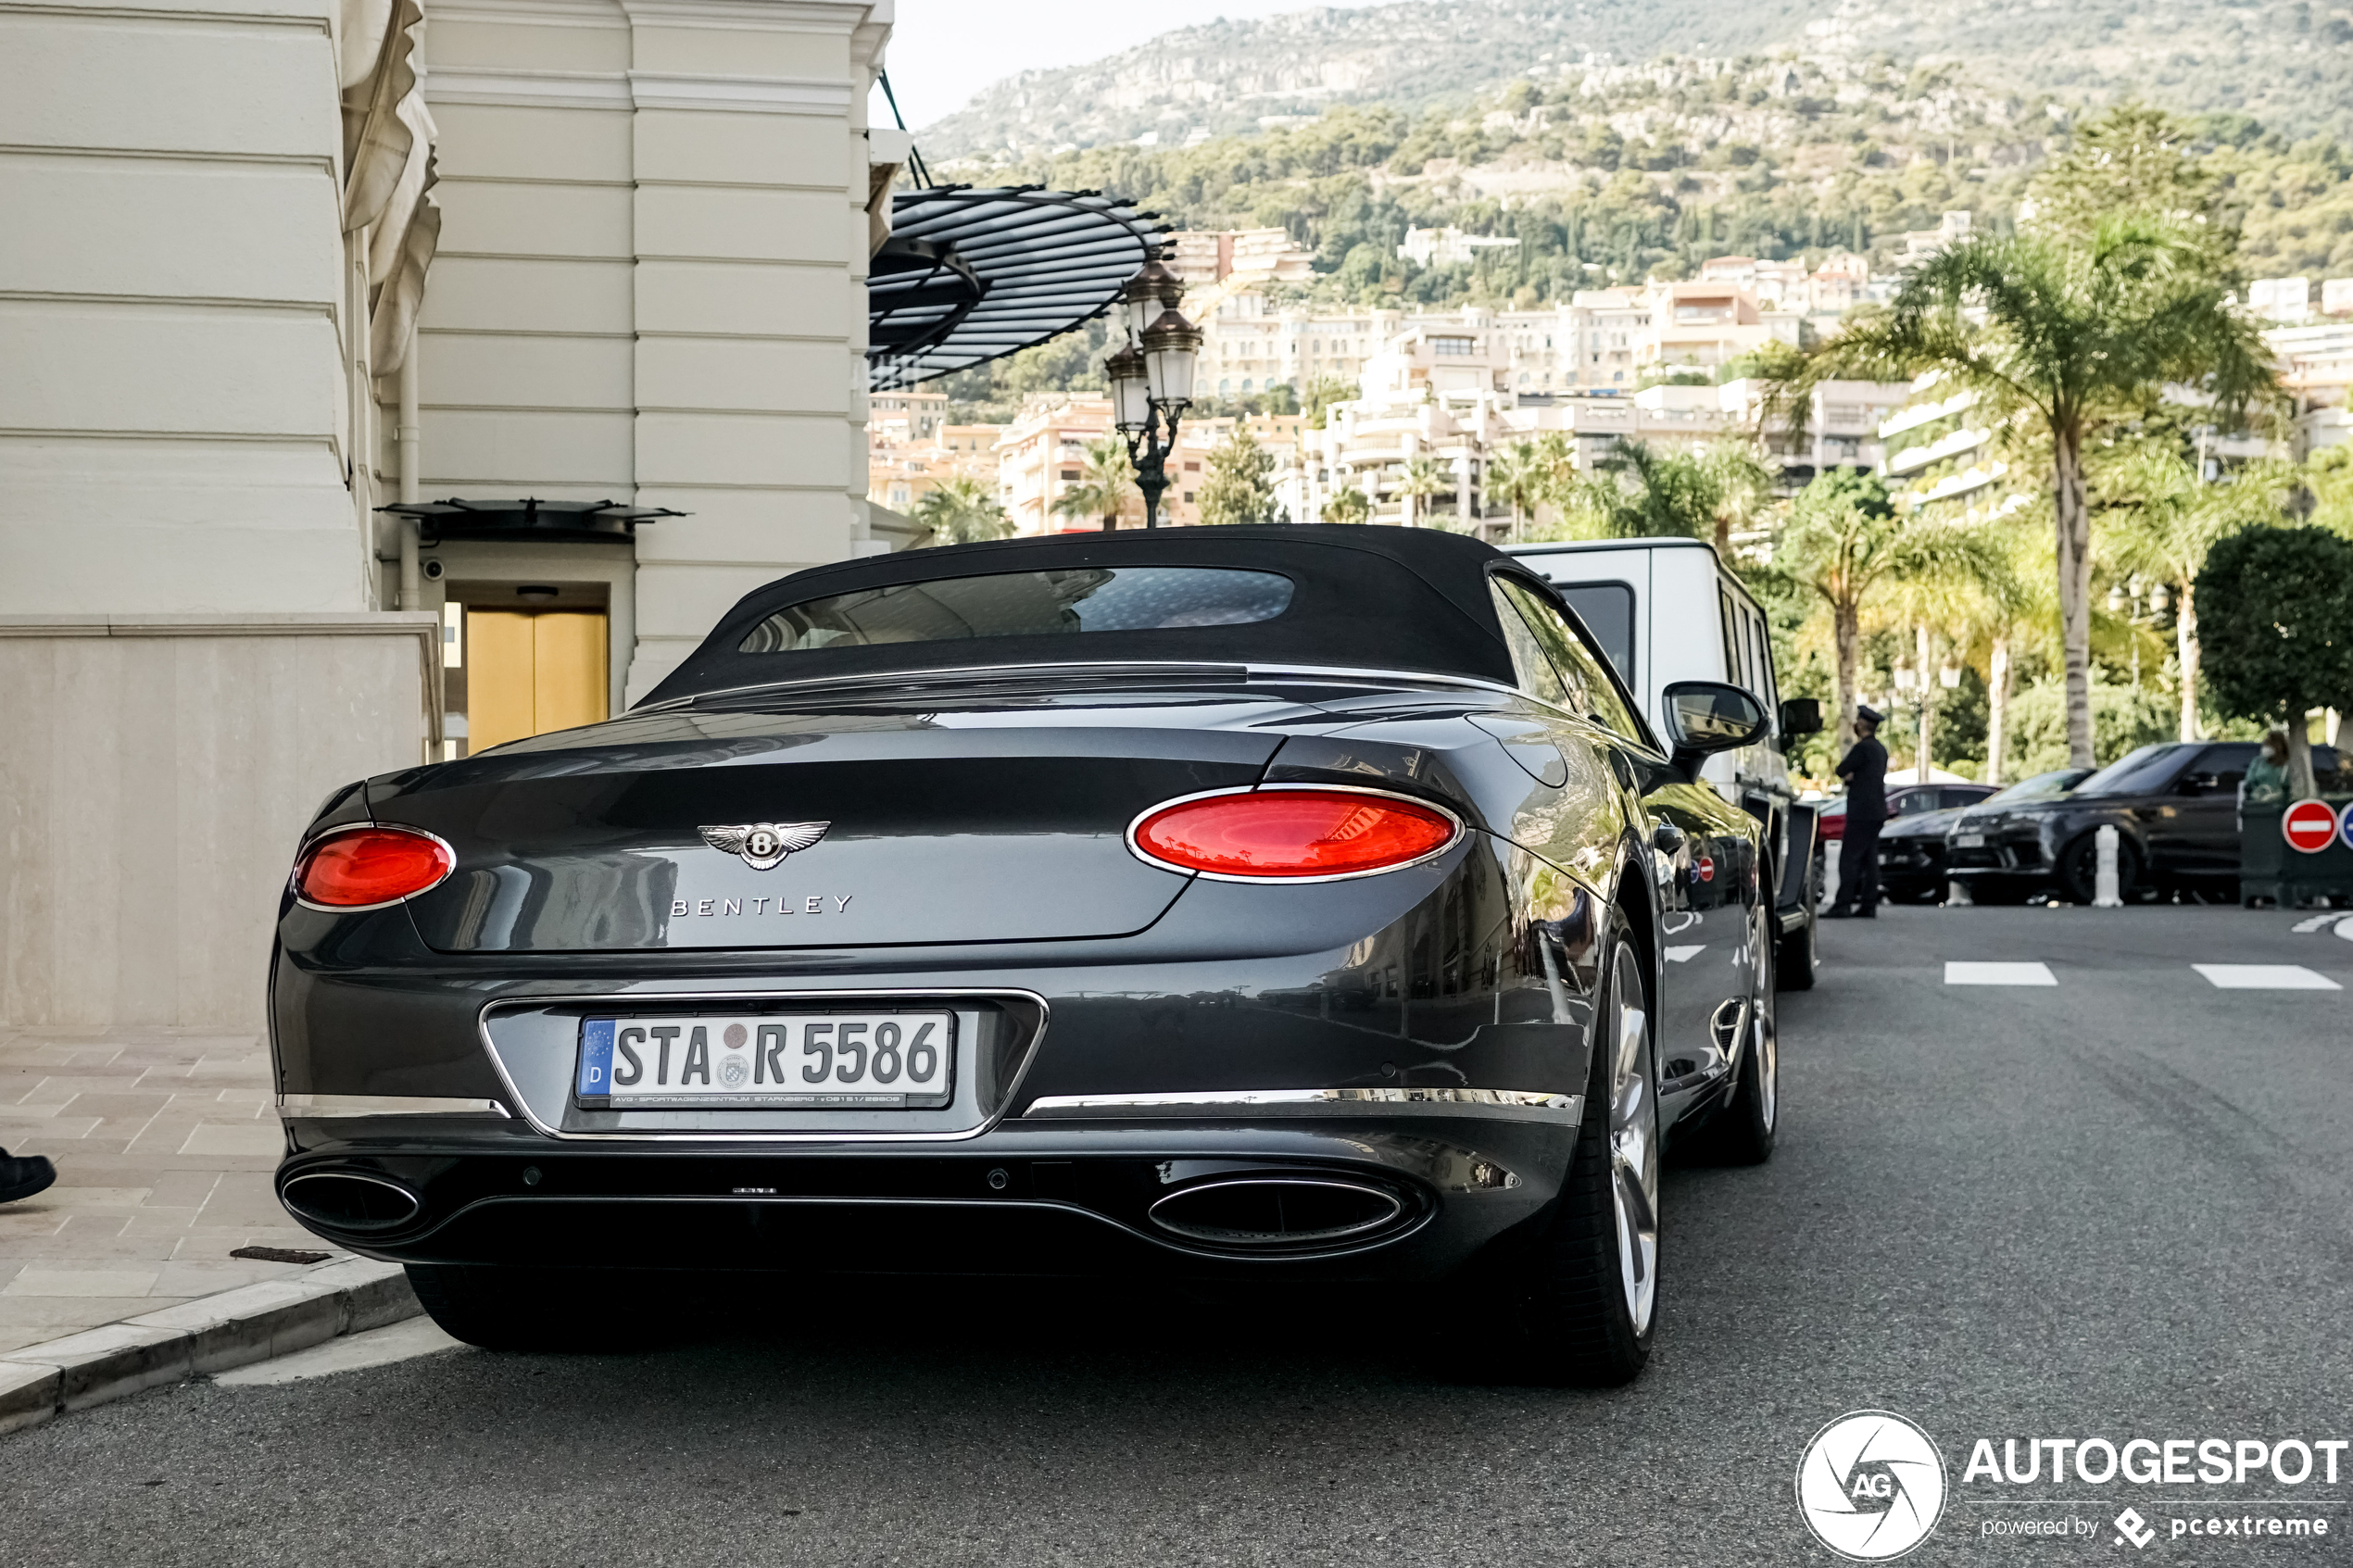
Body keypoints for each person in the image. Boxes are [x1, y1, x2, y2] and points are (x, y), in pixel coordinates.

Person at [1826, 704, 1889, 920]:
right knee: (1870, 859)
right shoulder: (1880, 749)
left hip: (1861, 811)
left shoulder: (1862, 748)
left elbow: (1842, 769)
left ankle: (1842, 904)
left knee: (1849, 858)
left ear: (1861, 725)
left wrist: (1850, 777)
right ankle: (1868, 904)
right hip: (1877, 811)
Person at [2244, 727, 2291, 809]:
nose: (2266, 748)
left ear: (2279, 746)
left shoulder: (2287, 764)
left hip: (2280, 806)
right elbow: (2249, 781)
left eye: (2269, 745)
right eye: (2265, 744)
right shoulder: (2258, 762)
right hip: (2258, 803)